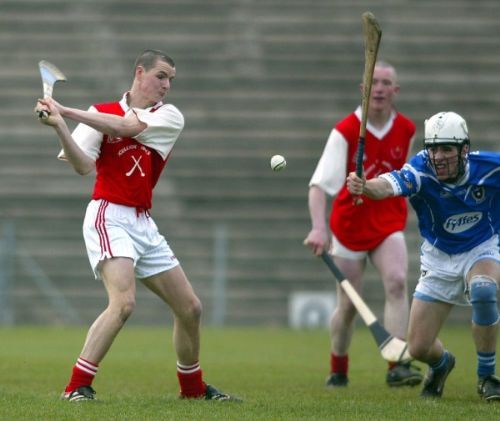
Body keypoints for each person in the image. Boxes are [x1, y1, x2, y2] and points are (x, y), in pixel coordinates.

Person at [35, 49, 239, 402]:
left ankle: (192, 390)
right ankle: (76, 386)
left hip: (143, 222)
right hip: (108, 215)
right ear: (139, 72)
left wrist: (64, 111)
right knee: (124, 303)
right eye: (161, 76)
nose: (167, 85)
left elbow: (125, 127)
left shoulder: (169, 116)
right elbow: (82, 166)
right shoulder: (100, 111)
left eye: (171, 79)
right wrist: (60, 127)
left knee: (190, 308)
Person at [346, 111, 500, 401]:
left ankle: (487, 377)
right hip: (438, 258)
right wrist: (365, 185)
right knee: (417, 348)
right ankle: (442, 365)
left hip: (481, 248)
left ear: (464, 149)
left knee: (483, 290)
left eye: (446, 149)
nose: (438, 157)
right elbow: (386, 186)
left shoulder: (489, 167)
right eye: (433, 149)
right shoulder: (420, 170)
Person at [304, 60, 422, 388]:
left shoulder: (407, 129)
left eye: (386, 83)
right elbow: (318, 186)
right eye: (375, 83)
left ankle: (397, 365)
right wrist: (318, 227)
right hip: (349, 227)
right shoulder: (345, 130)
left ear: (396, 90)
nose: (380, 89)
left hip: (388, 222)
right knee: (348, 305)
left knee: (397, 282)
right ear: (364, 89)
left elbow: (406, 177)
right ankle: (338, 368)